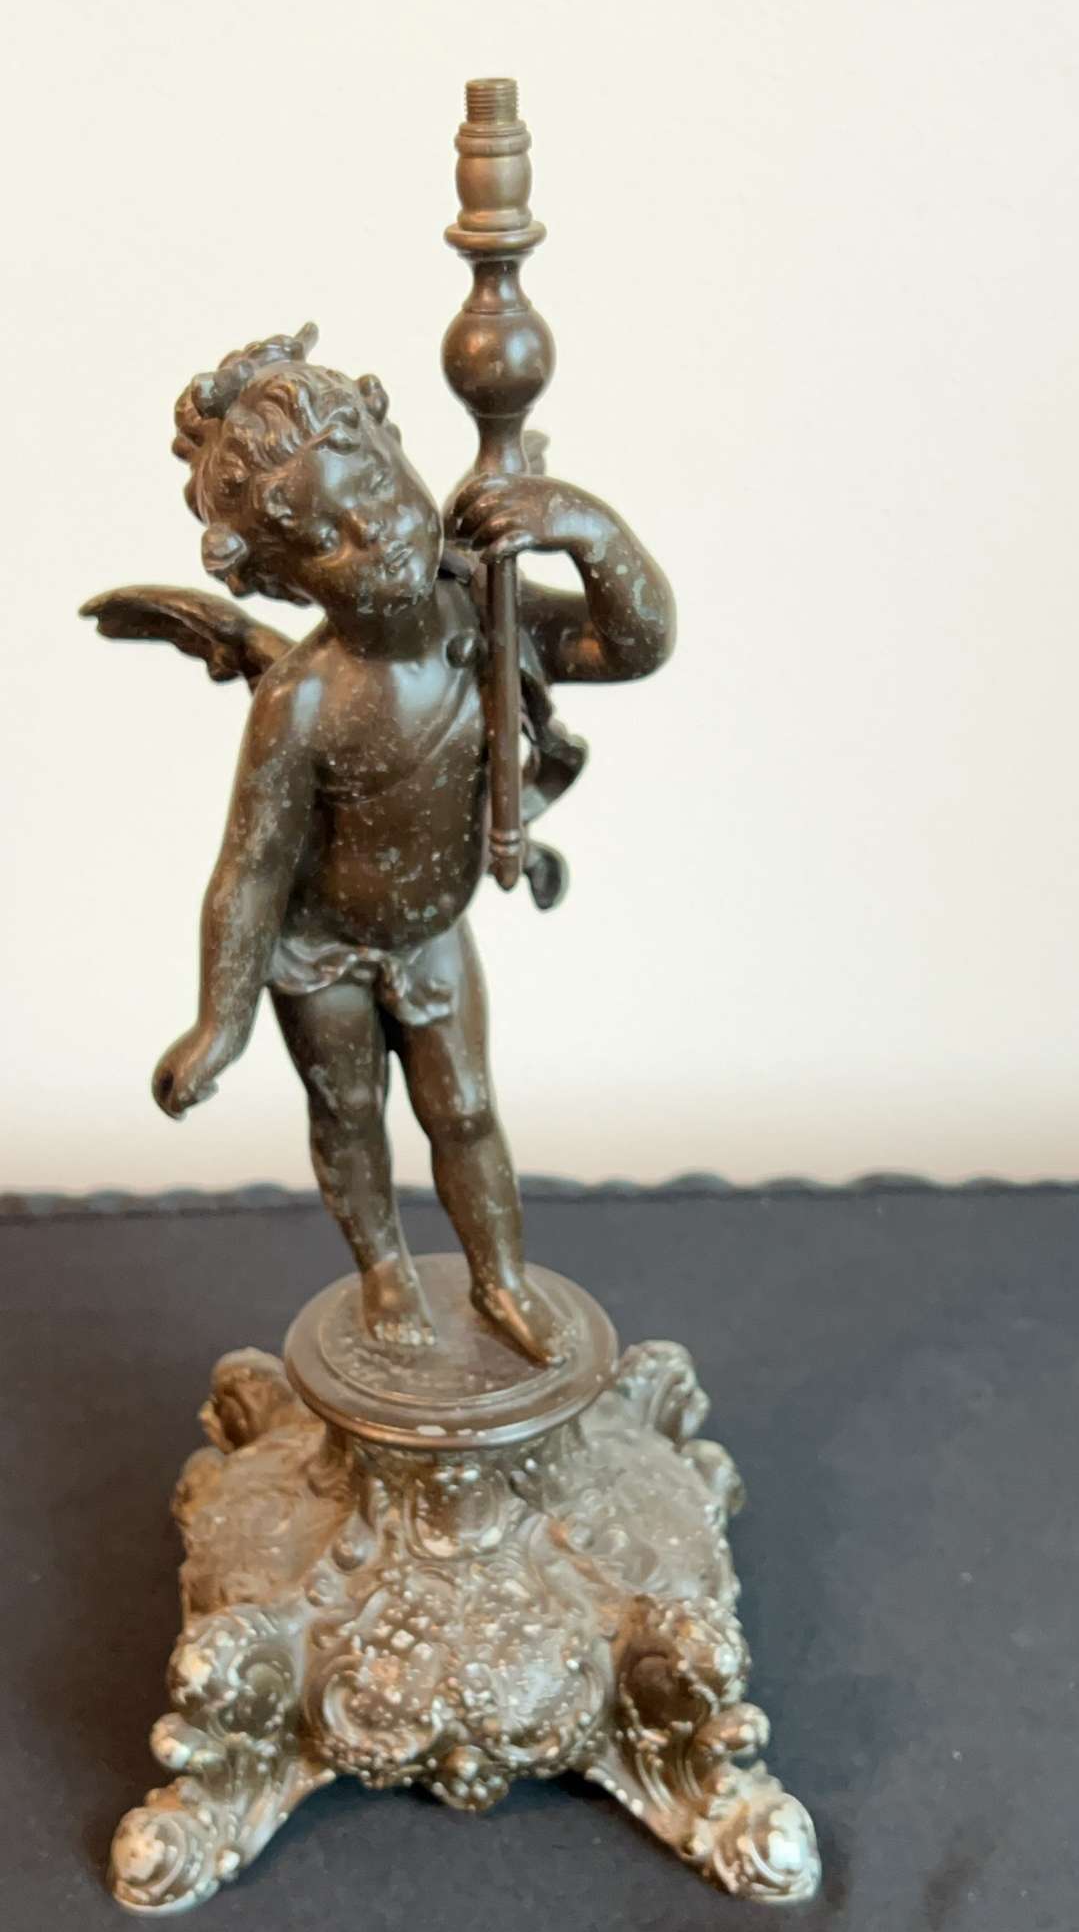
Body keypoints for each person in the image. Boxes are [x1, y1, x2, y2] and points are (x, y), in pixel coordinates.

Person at [86, 325, 675, 1362]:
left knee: (468, 1111)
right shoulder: (302, 704)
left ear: (396, 445)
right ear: (279, 583)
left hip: (431, 935)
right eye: (326, 539)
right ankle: (386, 1272)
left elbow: (632, 645)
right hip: (318, 953)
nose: (378, 534)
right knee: (350, 1116)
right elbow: (250, 873)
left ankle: (499, 1278)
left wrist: (587, 529)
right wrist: (219, 1022)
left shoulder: (483, 609)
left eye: (375, 486)